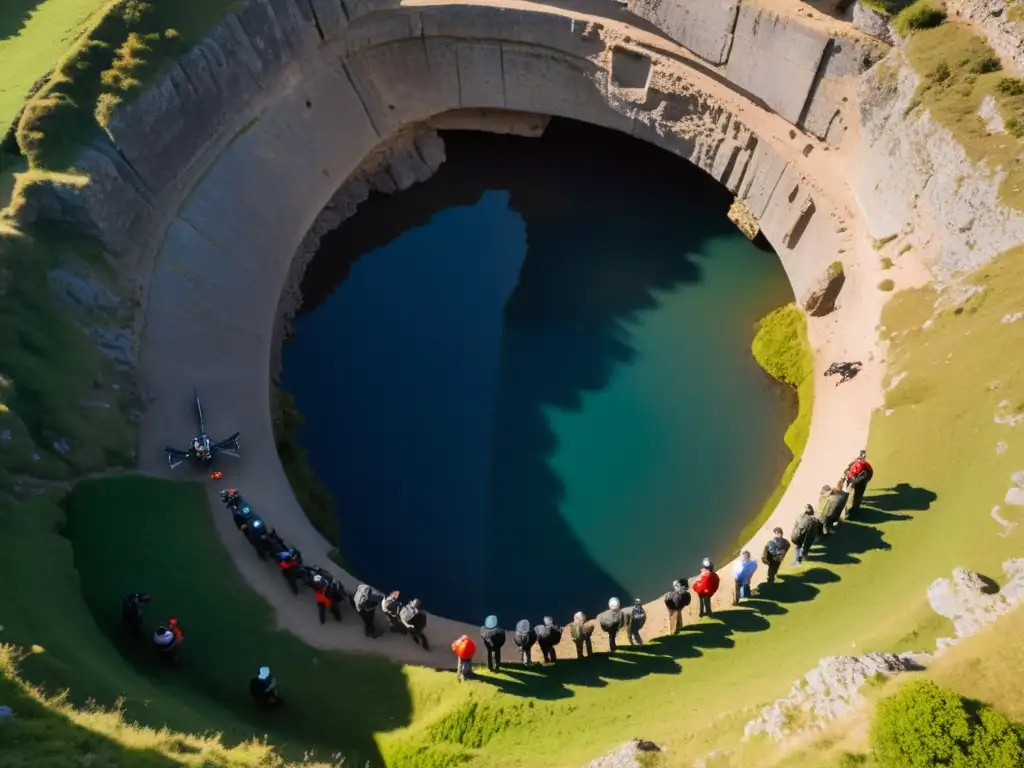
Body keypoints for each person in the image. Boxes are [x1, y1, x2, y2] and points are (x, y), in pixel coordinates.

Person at [844, 450, 874, 516]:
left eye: (863, 456)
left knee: (857, 497)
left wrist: (853, 482)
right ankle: (850, 510)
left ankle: (854, 512)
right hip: (852, 482)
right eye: (861, 455)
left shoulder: (865, 467)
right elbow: (849, 469)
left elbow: (866, 476)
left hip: (859, 484)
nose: (861, 458)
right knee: (850, 497)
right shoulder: (856, 462)